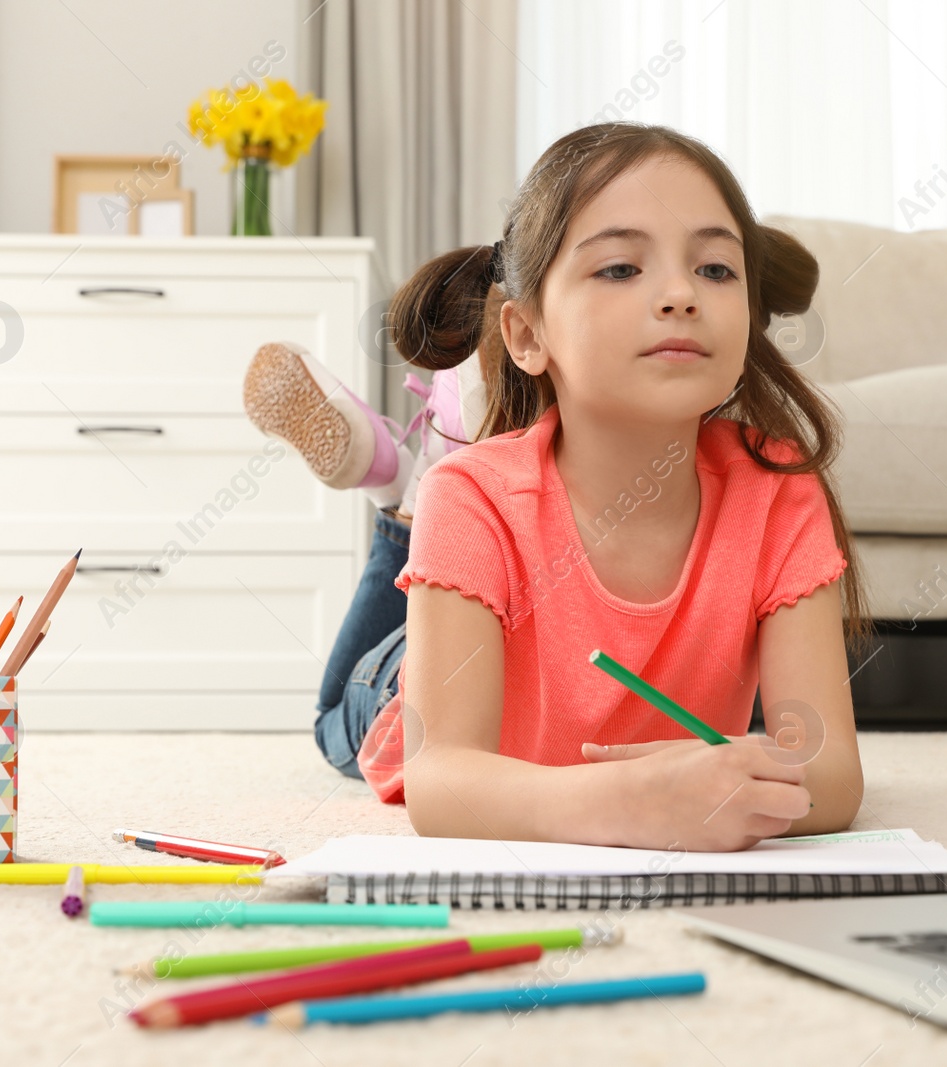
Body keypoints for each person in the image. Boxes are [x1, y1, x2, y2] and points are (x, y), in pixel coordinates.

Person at [244, 121, 874, 852]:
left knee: (457, 493)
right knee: (341, 714)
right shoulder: (474, 499)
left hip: (486, 555)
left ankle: (405, 476)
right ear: (525, 335)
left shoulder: (776, 486)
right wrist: (631, 801)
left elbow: (831, 773)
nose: (680, 293)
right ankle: (401, 500)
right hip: (397, 694)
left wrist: (727, 784)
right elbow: (441, 781)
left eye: (715, 269)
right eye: (618, 269)